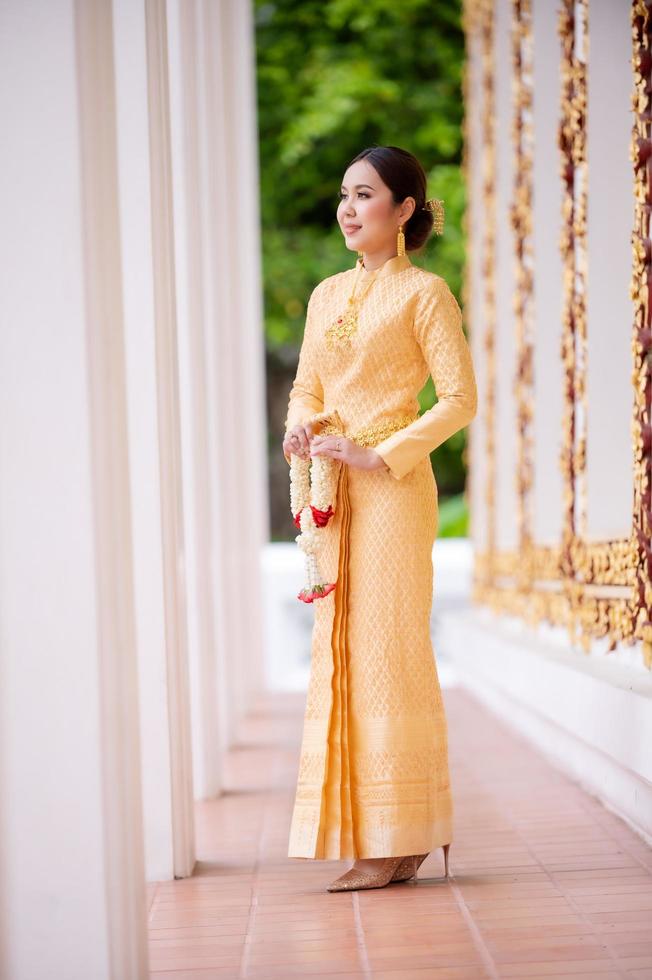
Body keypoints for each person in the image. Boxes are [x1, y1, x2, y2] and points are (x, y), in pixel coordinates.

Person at [282, 144, 478, 892]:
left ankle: (406, 833)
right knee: (341, 650)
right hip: (332, 488)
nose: (348, 209)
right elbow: (305, 384)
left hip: (392, 491)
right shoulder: (326, 295)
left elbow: (460, 399)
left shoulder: (424, 294)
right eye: (343, 196)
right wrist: (302, 427)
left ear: (404, 211)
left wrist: (381, 455)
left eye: (365, 196)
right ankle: (372, 831)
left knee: (387, 647)